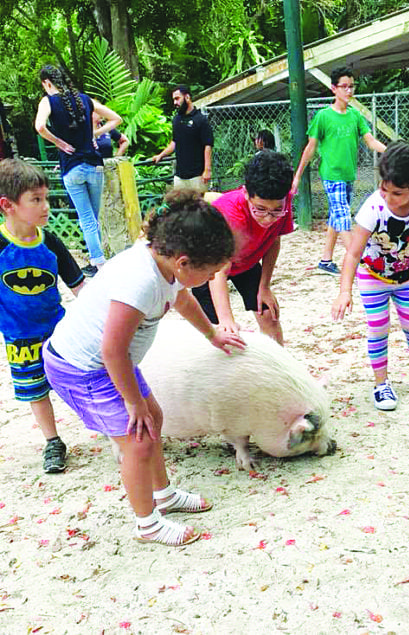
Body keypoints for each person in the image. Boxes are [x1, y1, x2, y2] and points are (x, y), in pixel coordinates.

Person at [42, 189, 246, 546]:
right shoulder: (139, 281)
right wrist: (133, 402)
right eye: (212, 272)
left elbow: (183, 302)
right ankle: (147, 523)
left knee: (154, 418)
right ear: (184, 262)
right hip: (83, 369)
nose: (216, 277)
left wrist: (212, 334)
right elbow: (112, 350)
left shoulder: (166, 268)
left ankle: (163, 494)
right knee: (138, 439)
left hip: (110, 364)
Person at [332, 141, 409, 411]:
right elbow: (353, 254)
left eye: (397, 192)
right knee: (378, 328)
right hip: (372, 277)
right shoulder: (373, 207)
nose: (388, 197)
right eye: (384, 188)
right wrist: (345, 290)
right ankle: (381, 384)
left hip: (405, 278)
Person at [0, 159, 85, 473]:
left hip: (57, 332)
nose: (45, 206)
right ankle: (53, 441)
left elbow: (79, 285)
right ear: (7, 205)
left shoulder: (50, 242)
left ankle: (106, 424)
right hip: (19, 337)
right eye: (36, 199)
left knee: (79, 380)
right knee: (36, 390)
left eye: (46, 198)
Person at [291, 67, 386, 276]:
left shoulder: (355, 116)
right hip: (332, 175)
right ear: (334, 89)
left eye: (351, 86)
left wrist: (392, 151)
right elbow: (310, 148)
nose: (349, 91)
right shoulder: (323, 116)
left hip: (348, 175)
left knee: (337, 216)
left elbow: (370, 141)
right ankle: (362, 262)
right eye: (344, 86)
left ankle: (326, 260)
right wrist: (297, 176)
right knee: (343, 217)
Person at [192, 151, 294, 345]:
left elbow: (273, 241)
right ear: (246, 193)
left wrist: (264, 286)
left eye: (276, 211)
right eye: (260, 209)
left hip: (246, 263)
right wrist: (226, 319)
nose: (268, 218)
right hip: (209, 268)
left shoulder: (283, 203)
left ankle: (278, 368)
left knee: (268, 314)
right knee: (220, 331)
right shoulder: (230, 213)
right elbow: (219, 269)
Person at [34, 65, 122, 277]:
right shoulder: (85, 99)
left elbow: (39, 126)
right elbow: (116, 119)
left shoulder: (48, 101)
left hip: (72, 168)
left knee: (86, 219)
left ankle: (99, 263)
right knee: (94, 217)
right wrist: (95, 133)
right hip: (95, 165)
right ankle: (99, 259)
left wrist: (59, 142)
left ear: (47, 83)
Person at [151, 85, 214, 191]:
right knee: (179, 206)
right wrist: (160, 155)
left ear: (187, 97)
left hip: (197, 176)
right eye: (173, 100)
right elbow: (175, 142)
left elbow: (208, 145)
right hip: (179, 176)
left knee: (198, 207)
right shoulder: (176, 120)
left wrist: (207, 170)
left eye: (177, 98)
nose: (175, 103)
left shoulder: (201, 120)